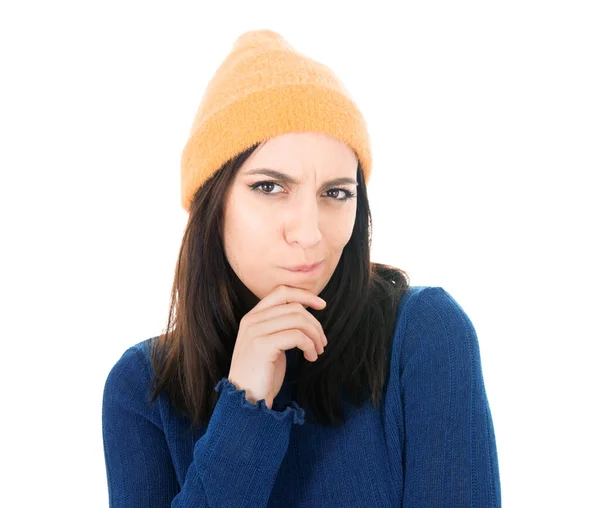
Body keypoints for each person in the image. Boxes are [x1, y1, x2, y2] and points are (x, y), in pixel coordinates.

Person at [102, 29, 501, 507]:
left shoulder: (423, 335)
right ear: (212, 202)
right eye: (270, 187)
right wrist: (244, 407)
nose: (309, 233)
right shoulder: (143, 388)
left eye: (336, 193)